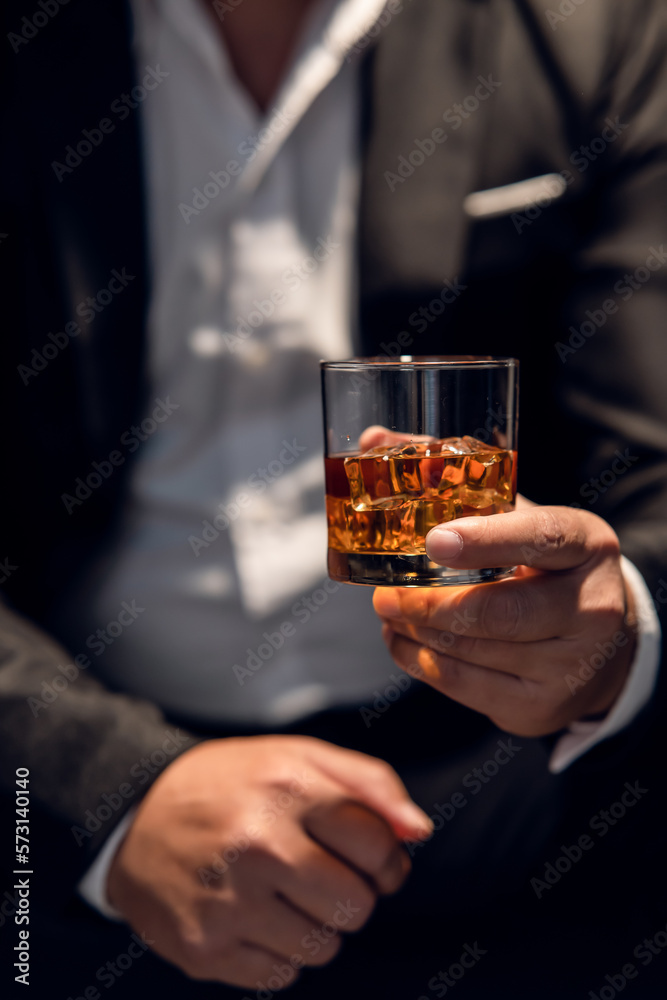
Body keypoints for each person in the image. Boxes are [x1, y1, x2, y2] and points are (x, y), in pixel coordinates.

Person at [1, 0, 666, 996]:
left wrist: (619, 635)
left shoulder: (598, 23)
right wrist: (106, 792)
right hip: (63, 805)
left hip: (518, 805)